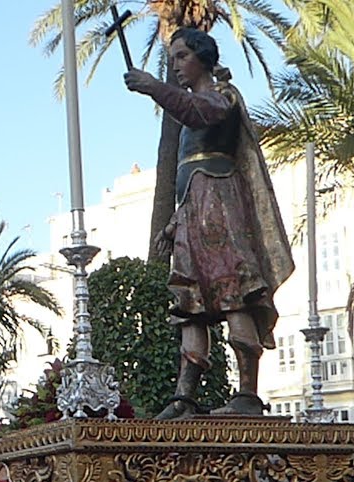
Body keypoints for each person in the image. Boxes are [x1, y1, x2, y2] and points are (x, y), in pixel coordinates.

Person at [123, 27, 295, 418]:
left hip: (220, 207)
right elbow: (188, 181)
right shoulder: (189, 116)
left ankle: (247, 394)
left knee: (232, 290)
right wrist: (174, 224)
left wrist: (154, 87)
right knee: (190, 303)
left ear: (203, 57)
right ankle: (185, 395)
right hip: (194, 213)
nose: (176, 67)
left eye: (182, 56)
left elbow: (202, 112)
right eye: (172, 60)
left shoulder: (222, 97)